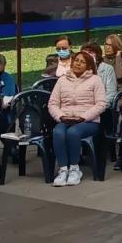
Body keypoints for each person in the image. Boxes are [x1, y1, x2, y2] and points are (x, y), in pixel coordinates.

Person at [47, 53, 107, 186]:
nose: (78, 64)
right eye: (76, 61)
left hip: (88, 121)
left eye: (82, 62)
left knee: (73, 132)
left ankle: (75, 168)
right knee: (58, 132)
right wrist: (61, 116)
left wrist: (83, 117)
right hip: (66, 118)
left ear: (89, 66)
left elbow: (101, 104)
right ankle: (63, 170)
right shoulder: (62, 80)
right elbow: (53, 103)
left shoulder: (95, 80)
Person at [79, 44, 117, 108]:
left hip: (102, 107)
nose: (87, 55)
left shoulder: (108, 69)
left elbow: (111, 94)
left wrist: (97, 108)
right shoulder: (78, 69)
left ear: (97, 55)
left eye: (90, 52)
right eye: (84, 52)